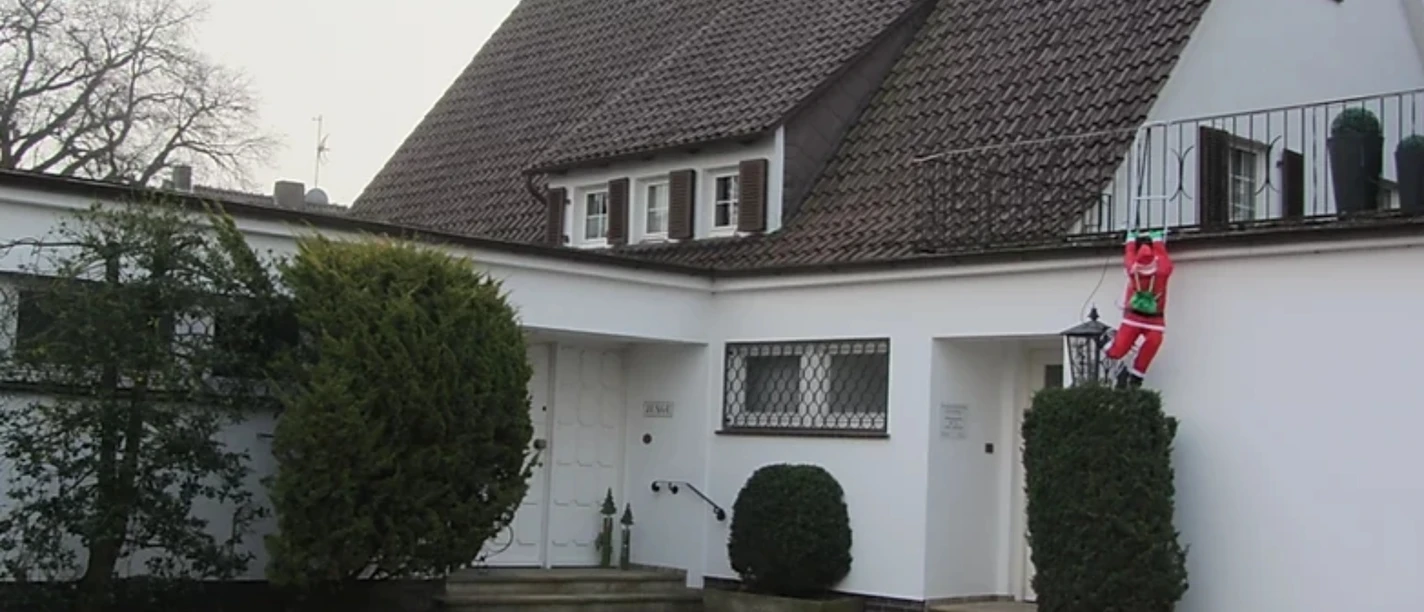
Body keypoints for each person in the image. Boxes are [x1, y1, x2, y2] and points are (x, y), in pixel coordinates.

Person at [1105, 229, 1173, 388]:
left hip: (1154, 319)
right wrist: (1156, 239)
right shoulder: (1161, 269)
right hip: (1133, 318)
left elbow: (1129, 252)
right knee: (1118, 350)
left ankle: (1137, 373)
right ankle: (1105, 341)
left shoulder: (1134, 268)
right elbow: (1162, 254)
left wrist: (1131, 239)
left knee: (1153, 342)